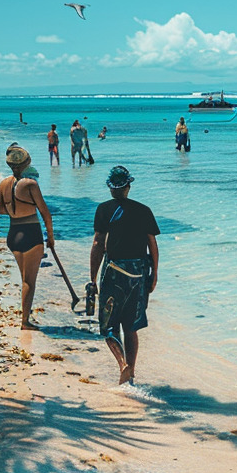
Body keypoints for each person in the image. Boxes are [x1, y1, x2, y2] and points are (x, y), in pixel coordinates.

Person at [90, 165, 159, 384]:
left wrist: (92, 277)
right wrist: (155, 273)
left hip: (113, 271)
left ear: (111, 189)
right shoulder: (143, 210)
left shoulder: (103, 209)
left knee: (109, 326)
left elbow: (98, 243)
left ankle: (123, 365)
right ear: (128, 187)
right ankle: (131, 372)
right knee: (131, 326)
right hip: (138, 272)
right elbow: (152, 244)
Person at [0, 146, 55, 330]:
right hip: (31, 233)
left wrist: (16, 208)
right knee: (29, 280)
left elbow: (0, 210)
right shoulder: (30, 184)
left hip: (13, 233)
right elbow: (45, 213)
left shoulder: (3, 184)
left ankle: (25, 318)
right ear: (26, 163)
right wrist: (51, 238)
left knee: (24, 278)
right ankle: (25, 322)